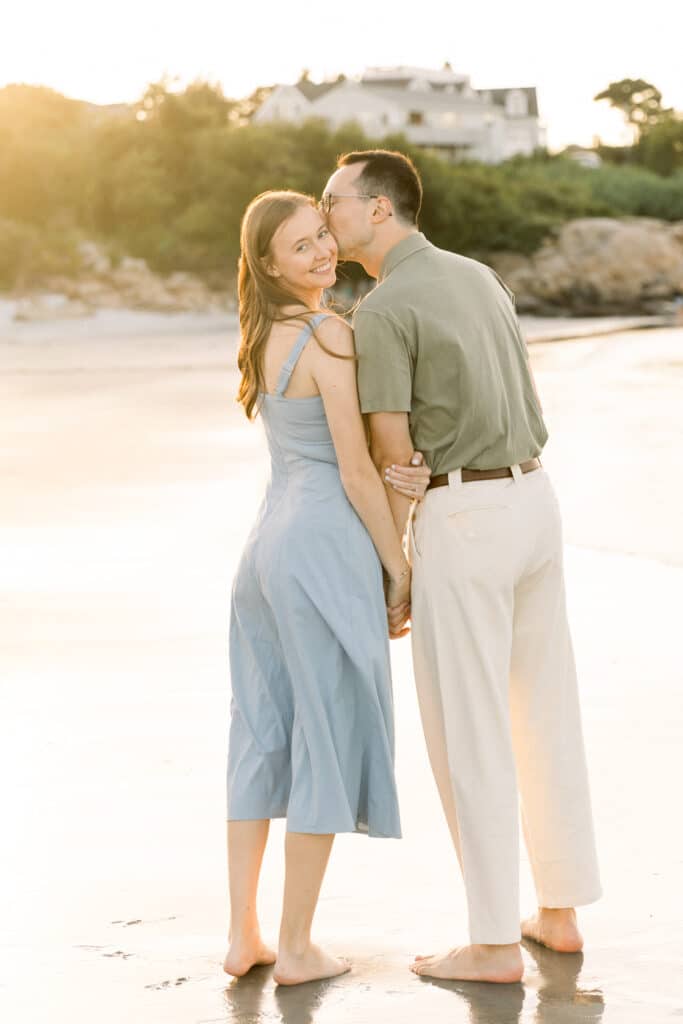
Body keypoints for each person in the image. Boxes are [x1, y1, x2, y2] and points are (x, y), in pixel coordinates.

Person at [321, 150, 602, 984]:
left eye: (334, 201)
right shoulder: (479, 276)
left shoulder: (383, 307)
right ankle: (557, 910)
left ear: (379, 210)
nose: (324, 211)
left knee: (468, 730)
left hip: (464, 517)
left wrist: (397, 565)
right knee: (543, 710)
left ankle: (487, 942)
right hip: (535, 502)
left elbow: (390, 447)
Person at [224, 190, 431, 986]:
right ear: (270, 264)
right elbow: (352, 467)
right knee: (324, 733)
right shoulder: (328, 331)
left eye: (321, 238)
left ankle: (245, 935)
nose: (320, 255)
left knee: (260, 730)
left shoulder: (260, 332)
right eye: (300, 248)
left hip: (265, 548)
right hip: (320, 548)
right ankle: (298, 946)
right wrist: (400, 562)